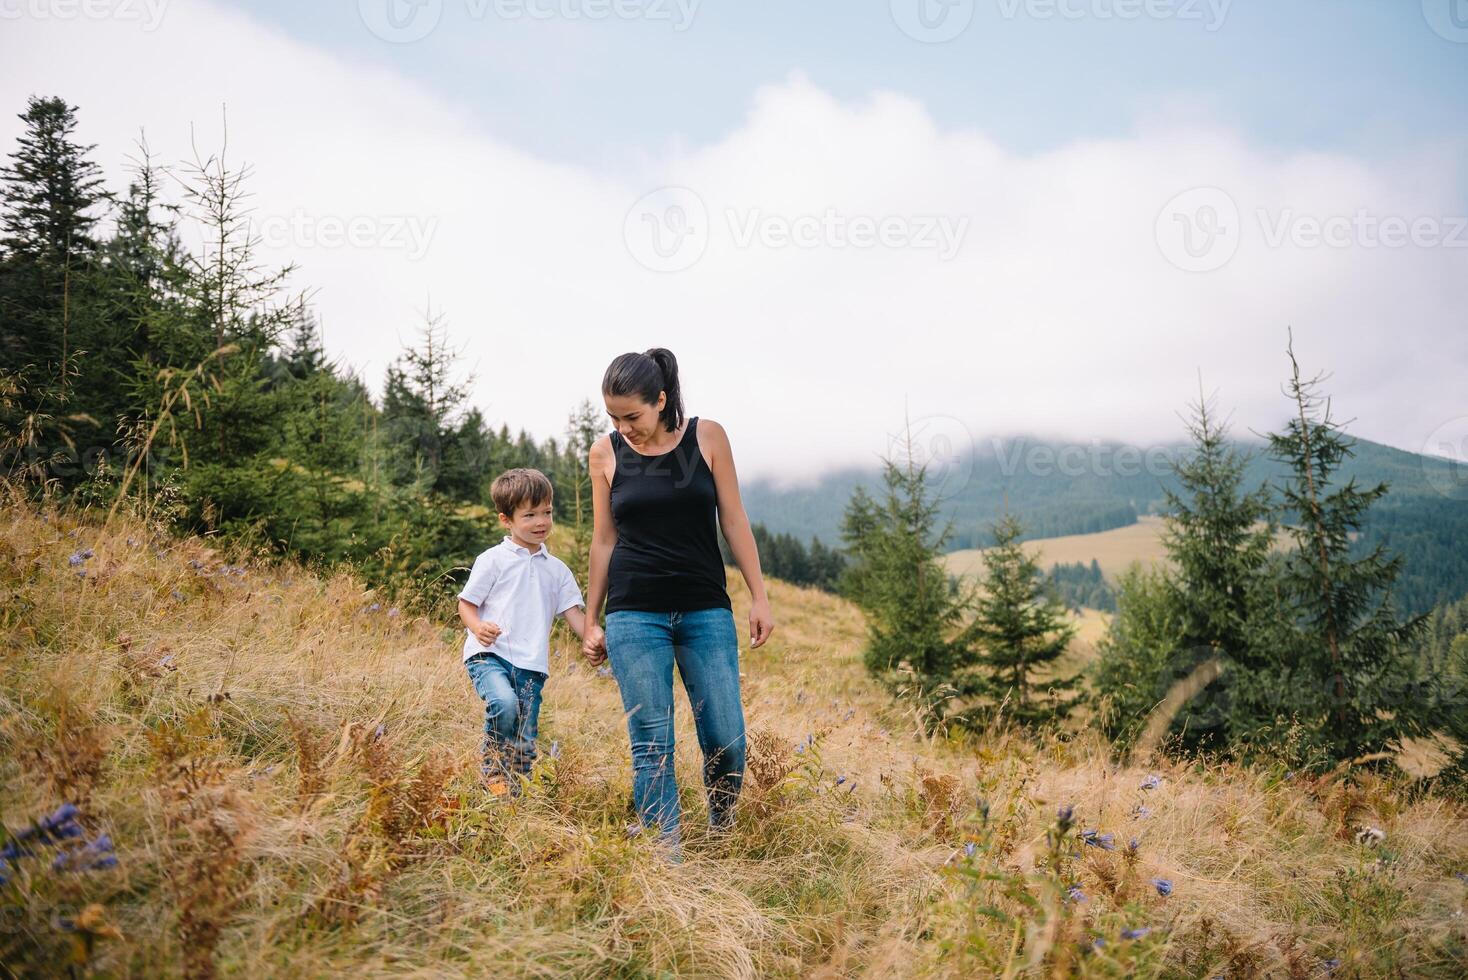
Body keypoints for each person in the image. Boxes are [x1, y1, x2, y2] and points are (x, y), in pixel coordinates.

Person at [582, 348, 775, 859]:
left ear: (661, 400)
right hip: (633, 614)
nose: (624, 428)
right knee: (651, 745)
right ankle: (666, 863)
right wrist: (591, 619)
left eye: (634, 416)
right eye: (614, 418)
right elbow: (604, 540)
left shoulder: (706, 438)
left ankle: (721, 828)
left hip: (704, 610)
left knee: (727, 739)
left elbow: (733, 521)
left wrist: (759, 597)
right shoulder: (604, 454)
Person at [458, 468, 588, 797]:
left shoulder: (557, 570)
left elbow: (574, 614)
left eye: (546, 512)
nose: (540, 521)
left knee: (525, 740)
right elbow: (466, 605)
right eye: (529, 515)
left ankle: (513, 801)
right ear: (506, 519)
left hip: (532, 667)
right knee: (503, 704)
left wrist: (594, 640)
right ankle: (491, 772)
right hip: (490, 655)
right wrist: (477, 627)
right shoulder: (492, 560)